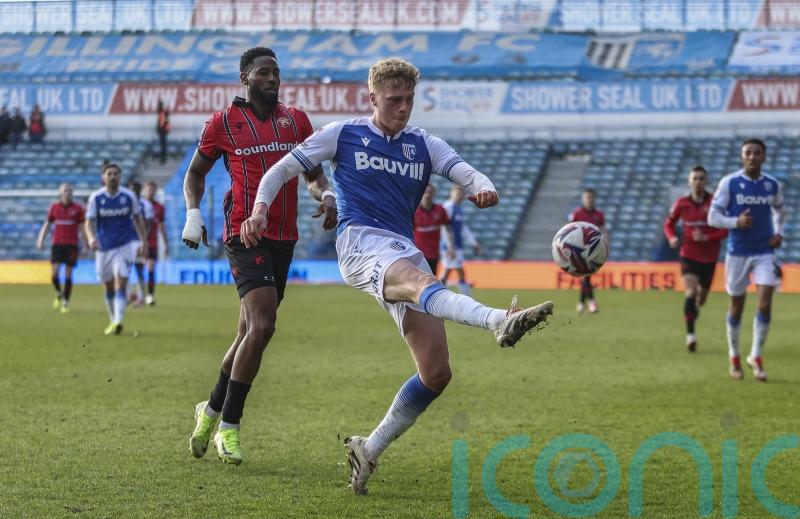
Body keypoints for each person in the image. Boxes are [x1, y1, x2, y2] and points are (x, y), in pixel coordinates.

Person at [242, 57, 553, 495]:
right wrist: (259, 209)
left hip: (402, 250)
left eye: (409, 99)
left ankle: (368, 448)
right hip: (360, 243)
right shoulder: (343, 133)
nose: (403, 108)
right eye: (394, 100)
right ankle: (498, 320)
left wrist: (483, 186)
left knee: (436, 373)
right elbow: (280, 169)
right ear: (373, 98)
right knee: (426, 285)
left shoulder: (423, 143)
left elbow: (463, 169)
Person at [181, 47, 337, 466]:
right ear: (245, 79)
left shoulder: (296, 121)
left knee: (248, 332)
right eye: (263, 72)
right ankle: (229, 426)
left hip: (284, 236)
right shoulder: (223, 124)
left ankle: (210, 409)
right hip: (243, 232)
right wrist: (194, 213)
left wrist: (326, 195)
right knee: (264, 324)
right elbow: (195, 173)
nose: (273, 78)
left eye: (276, 72)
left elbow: (314, 174)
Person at [708, 139, 786, 382]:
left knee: (764, 303)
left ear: (764, 157)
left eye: (757, 153)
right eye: (748, 153)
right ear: (742, 157)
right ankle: (734, 355)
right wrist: (735, 223)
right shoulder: (730, 183)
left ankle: (756, 356)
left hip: (764, 252)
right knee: (737, 306)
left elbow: (780, 211)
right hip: (738, 253)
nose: (752, 157)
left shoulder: (772, 185)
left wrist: (778, 232)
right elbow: (712, 217)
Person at [663, 166, 727, 352]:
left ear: (706, 181)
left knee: (700, 300)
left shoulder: (716, 203)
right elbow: (669, 223)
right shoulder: (681, 203)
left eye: (701, 178)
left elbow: (726, 229)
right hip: (688, 255)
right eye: (695, 178)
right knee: (690, 292)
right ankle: (690, 336)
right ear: (689, 181)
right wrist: (672, 237)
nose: (698, 181)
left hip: (709, 258)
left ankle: (693, 310)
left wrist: (708, 237)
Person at [84, 163, 148, 335]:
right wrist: (91, 238)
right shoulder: (96, 198)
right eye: (109, 173)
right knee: (108, 285)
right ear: (103, 177)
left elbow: (139, 218)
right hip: (104, 247)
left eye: (115, 174)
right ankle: (113, 319)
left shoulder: (128, 197)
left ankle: (119, 320)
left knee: (121, 281)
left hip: (124, 246)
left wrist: (144, 241)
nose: (112, 176)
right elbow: (89, 222)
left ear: (120, 176)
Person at [36, 183, 86, 313]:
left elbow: (82, 228)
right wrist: (41, 239)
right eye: (65, 191)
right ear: (60, 193)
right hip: (57, 244)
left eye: (70, 191)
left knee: (68, 273)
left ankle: (66, 302)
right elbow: (47, 225)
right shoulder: (54, 208)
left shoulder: (78, 209)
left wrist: (86, 245)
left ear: (72, 193)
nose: (67, 193)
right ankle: (59, 293)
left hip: (72, 244)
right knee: (54, 273)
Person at [569, 188, 607, 314]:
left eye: (591, 197)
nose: (589, 200)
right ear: (583, 199)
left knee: (586, 276)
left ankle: (581, 303)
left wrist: (606, 245)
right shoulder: (577, 214)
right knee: (586, 276)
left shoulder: (599, 215)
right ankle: (591, 302)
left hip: (594, 249)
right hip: (579, 250)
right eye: (587, 197)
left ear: (594, 199)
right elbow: (568, 231)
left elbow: (603, 230)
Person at [439, 186, 481, 296]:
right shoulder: (448, 207)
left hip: (457, 246)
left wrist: (474, 243)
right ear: (452, 194)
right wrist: (449, 246)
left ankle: (441, 294)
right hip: (449, 247)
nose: (460, 196)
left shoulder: (459, 209)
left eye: (461, 194)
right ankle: (438, 295)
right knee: (450, 271)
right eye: (457, 193)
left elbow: (462, 228)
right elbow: (444, 228)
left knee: (455, 271)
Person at [413, 183, 451, 275]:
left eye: (430, 192)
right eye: (425, 192)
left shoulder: (440, 210)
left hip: (434, 253)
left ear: (434, 194)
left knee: (432, 280)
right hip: (417, 254)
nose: (428, 194)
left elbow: (448, 229)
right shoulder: (414, 211)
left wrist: (450, 247)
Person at [127, 181, 153, 307]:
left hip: (137, 241)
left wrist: (143, 241)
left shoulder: (145, 205)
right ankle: (128, 295)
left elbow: (148, 225)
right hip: (125, 241)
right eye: (131, 189)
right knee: (123, 269)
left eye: (135, 190)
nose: (133, 192)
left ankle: (141, 298)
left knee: (139, 269)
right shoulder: (124, 204)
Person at [142, 181, 168, 305]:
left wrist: (166, 244)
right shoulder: (138, 205)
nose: (150, 192)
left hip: (152, 243)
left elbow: (162, 227)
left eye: (153, 189)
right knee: (137, 269)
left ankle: (150, 295)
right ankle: (137, 295)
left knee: (151, 268)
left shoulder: (160, 207)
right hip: (137, 243)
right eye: (148, 189)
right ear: (144, 190)